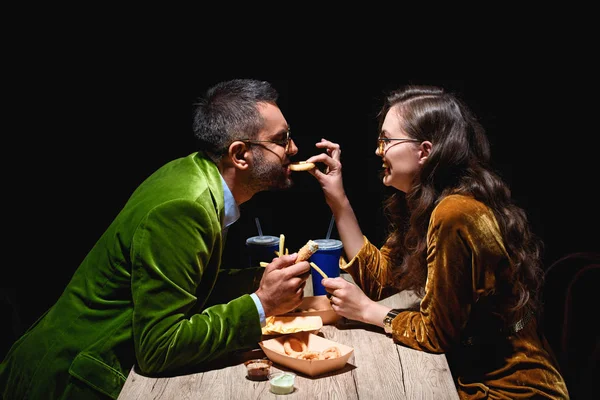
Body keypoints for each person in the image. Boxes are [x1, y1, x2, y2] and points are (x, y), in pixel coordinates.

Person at [0, 79, 311, 399]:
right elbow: (159, 347)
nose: (294, 148)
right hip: (63, 381)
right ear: (240, 155)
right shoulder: (185, 207)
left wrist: (259, 280)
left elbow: (180, 288)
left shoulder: (195, 175)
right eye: (281, 139)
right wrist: (261, 304)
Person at [306, 85, 569, 399]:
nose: (379, 150)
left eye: (387, 140)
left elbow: (434, 335)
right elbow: (379, 280)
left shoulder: (454, 212)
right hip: (468, 375)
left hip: (510, 390)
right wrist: (338, 199)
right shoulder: (427, 204)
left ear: (424, 150)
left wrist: (368, 311)